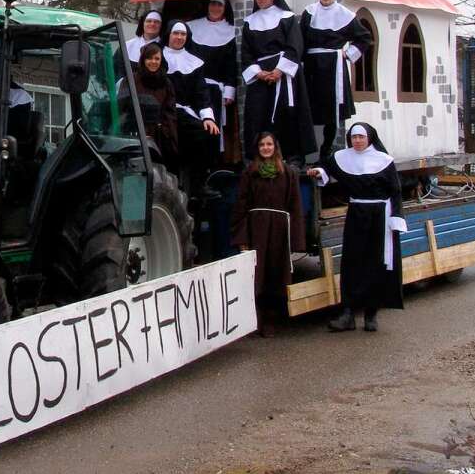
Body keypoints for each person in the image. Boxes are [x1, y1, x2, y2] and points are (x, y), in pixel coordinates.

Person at [307, 122, 406, 332]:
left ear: (370, 138)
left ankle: (371, 314)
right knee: (352, 262)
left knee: (375, 262)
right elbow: (326, 165)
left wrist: (395, 219)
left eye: (361, 137)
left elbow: (396, 191)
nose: (357, 141)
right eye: (354, 137)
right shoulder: (344, 157)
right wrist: (318, 171)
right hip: (356, 214)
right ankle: (348, 314)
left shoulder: (384, 161)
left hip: (380, 216)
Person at [231, 131, 305, 337]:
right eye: (262, 144)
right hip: (258, 230)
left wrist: (296, 239)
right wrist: (242, 238)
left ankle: (274, 317)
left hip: (279, 230)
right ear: (257, 148)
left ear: (275, 147)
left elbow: (295, 206)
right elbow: (241, 205)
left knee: (276, 273)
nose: (266, 148)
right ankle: (258, 318)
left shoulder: (288, 173)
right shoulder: (250, 173)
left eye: (269, 144)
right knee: (257, 275)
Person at [241, 0, 316, 163]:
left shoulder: (287, 17)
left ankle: (292, 156)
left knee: (288, 114)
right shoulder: (250, 22)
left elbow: (295, 45)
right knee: (257, 115)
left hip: (284, 75)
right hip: (261, 77)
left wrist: (280, 70)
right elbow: (246, 52)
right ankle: (259, 158)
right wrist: (258, 72)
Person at [300, 0, 372, 160]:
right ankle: (303, 151)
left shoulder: (345, 14)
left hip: (334, 66)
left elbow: (365, 38)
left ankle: (326, 148)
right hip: (311, 65)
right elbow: (300, 39)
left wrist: (349, 54)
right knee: (308, 106)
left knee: (333, 110)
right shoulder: (309, 12)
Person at [164, 22, 221, 200]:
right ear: (169, 35)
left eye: (183, 34)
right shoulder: (158, 56)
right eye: (176, 33)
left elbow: (201, 93)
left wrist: (208, 118)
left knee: (208, 132)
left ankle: (198, 184)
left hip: (184, 111)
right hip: (163, 110)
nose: (179, 37)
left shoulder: (193, 61)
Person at [187, 0, 239, 159]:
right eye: (213, 4)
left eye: (219, 5)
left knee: (215, 128)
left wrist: (230, 90)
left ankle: (214, 162)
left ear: (225, 9)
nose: (215, 8)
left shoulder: (230, 31)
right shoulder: (192, 27)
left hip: (217, 90)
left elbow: (232, 63)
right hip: (194, 87)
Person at [126, 42, 179, 172]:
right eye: (149, 58)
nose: (153, 62)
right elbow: (125, 108)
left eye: (157, 58)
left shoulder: (166, 83)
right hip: (135, 133)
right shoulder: (132, 80)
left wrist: (162, 130)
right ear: (143, 60)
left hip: (160, 134)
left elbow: (170, 111)